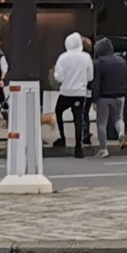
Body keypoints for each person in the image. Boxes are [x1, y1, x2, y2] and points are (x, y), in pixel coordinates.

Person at [52, 31, 95, 160]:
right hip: (80, 93)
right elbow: (90, 76)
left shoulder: (63, 57)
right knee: (78, 118)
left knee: (58, 112)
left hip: (66, 92)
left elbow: (59, 76)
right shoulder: (86, 57)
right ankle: (78, 147)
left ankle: (62, 137)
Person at [92, 36, 127, 158]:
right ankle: (121, 133)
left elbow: (96, 83)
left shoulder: (99, 62)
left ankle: (104, 148)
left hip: (103, 97)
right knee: (118, 118)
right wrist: (124, 92)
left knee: (102, 123)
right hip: (119, 95)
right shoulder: (121, 61)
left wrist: (94, 99)